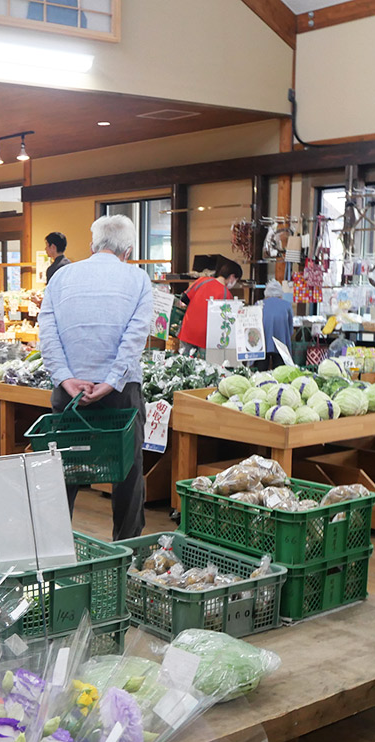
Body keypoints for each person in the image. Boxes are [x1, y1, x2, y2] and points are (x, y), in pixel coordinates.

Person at [38, 214, 152, 541]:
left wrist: (66, 378)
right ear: (128, 250)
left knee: (64, 470)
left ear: (92, 245)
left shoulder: (61, 277)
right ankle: (127, 552)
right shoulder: (138, 279)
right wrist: (111, 381)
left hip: (69, 393)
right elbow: (135, 337)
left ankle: (52, 550)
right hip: (120, 394)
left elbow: (47, 333)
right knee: (127, 474)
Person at [177, 257, 242, 356]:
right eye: (236, 280)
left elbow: (184, 299)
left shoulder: (202, 280)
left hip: (187, 331)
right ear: (232, 277)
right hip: (206, 338)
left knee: (183, 365)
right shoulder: (226, 294)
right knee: (203, 368)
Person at [262, 279, 295, 370]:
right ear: (281, 293)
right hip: (281, 342)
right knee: (280, 371)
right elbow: (290, 328)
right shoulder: (287, 305)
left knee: (261, 372)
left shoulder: (259, 304)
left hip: (262, 344)